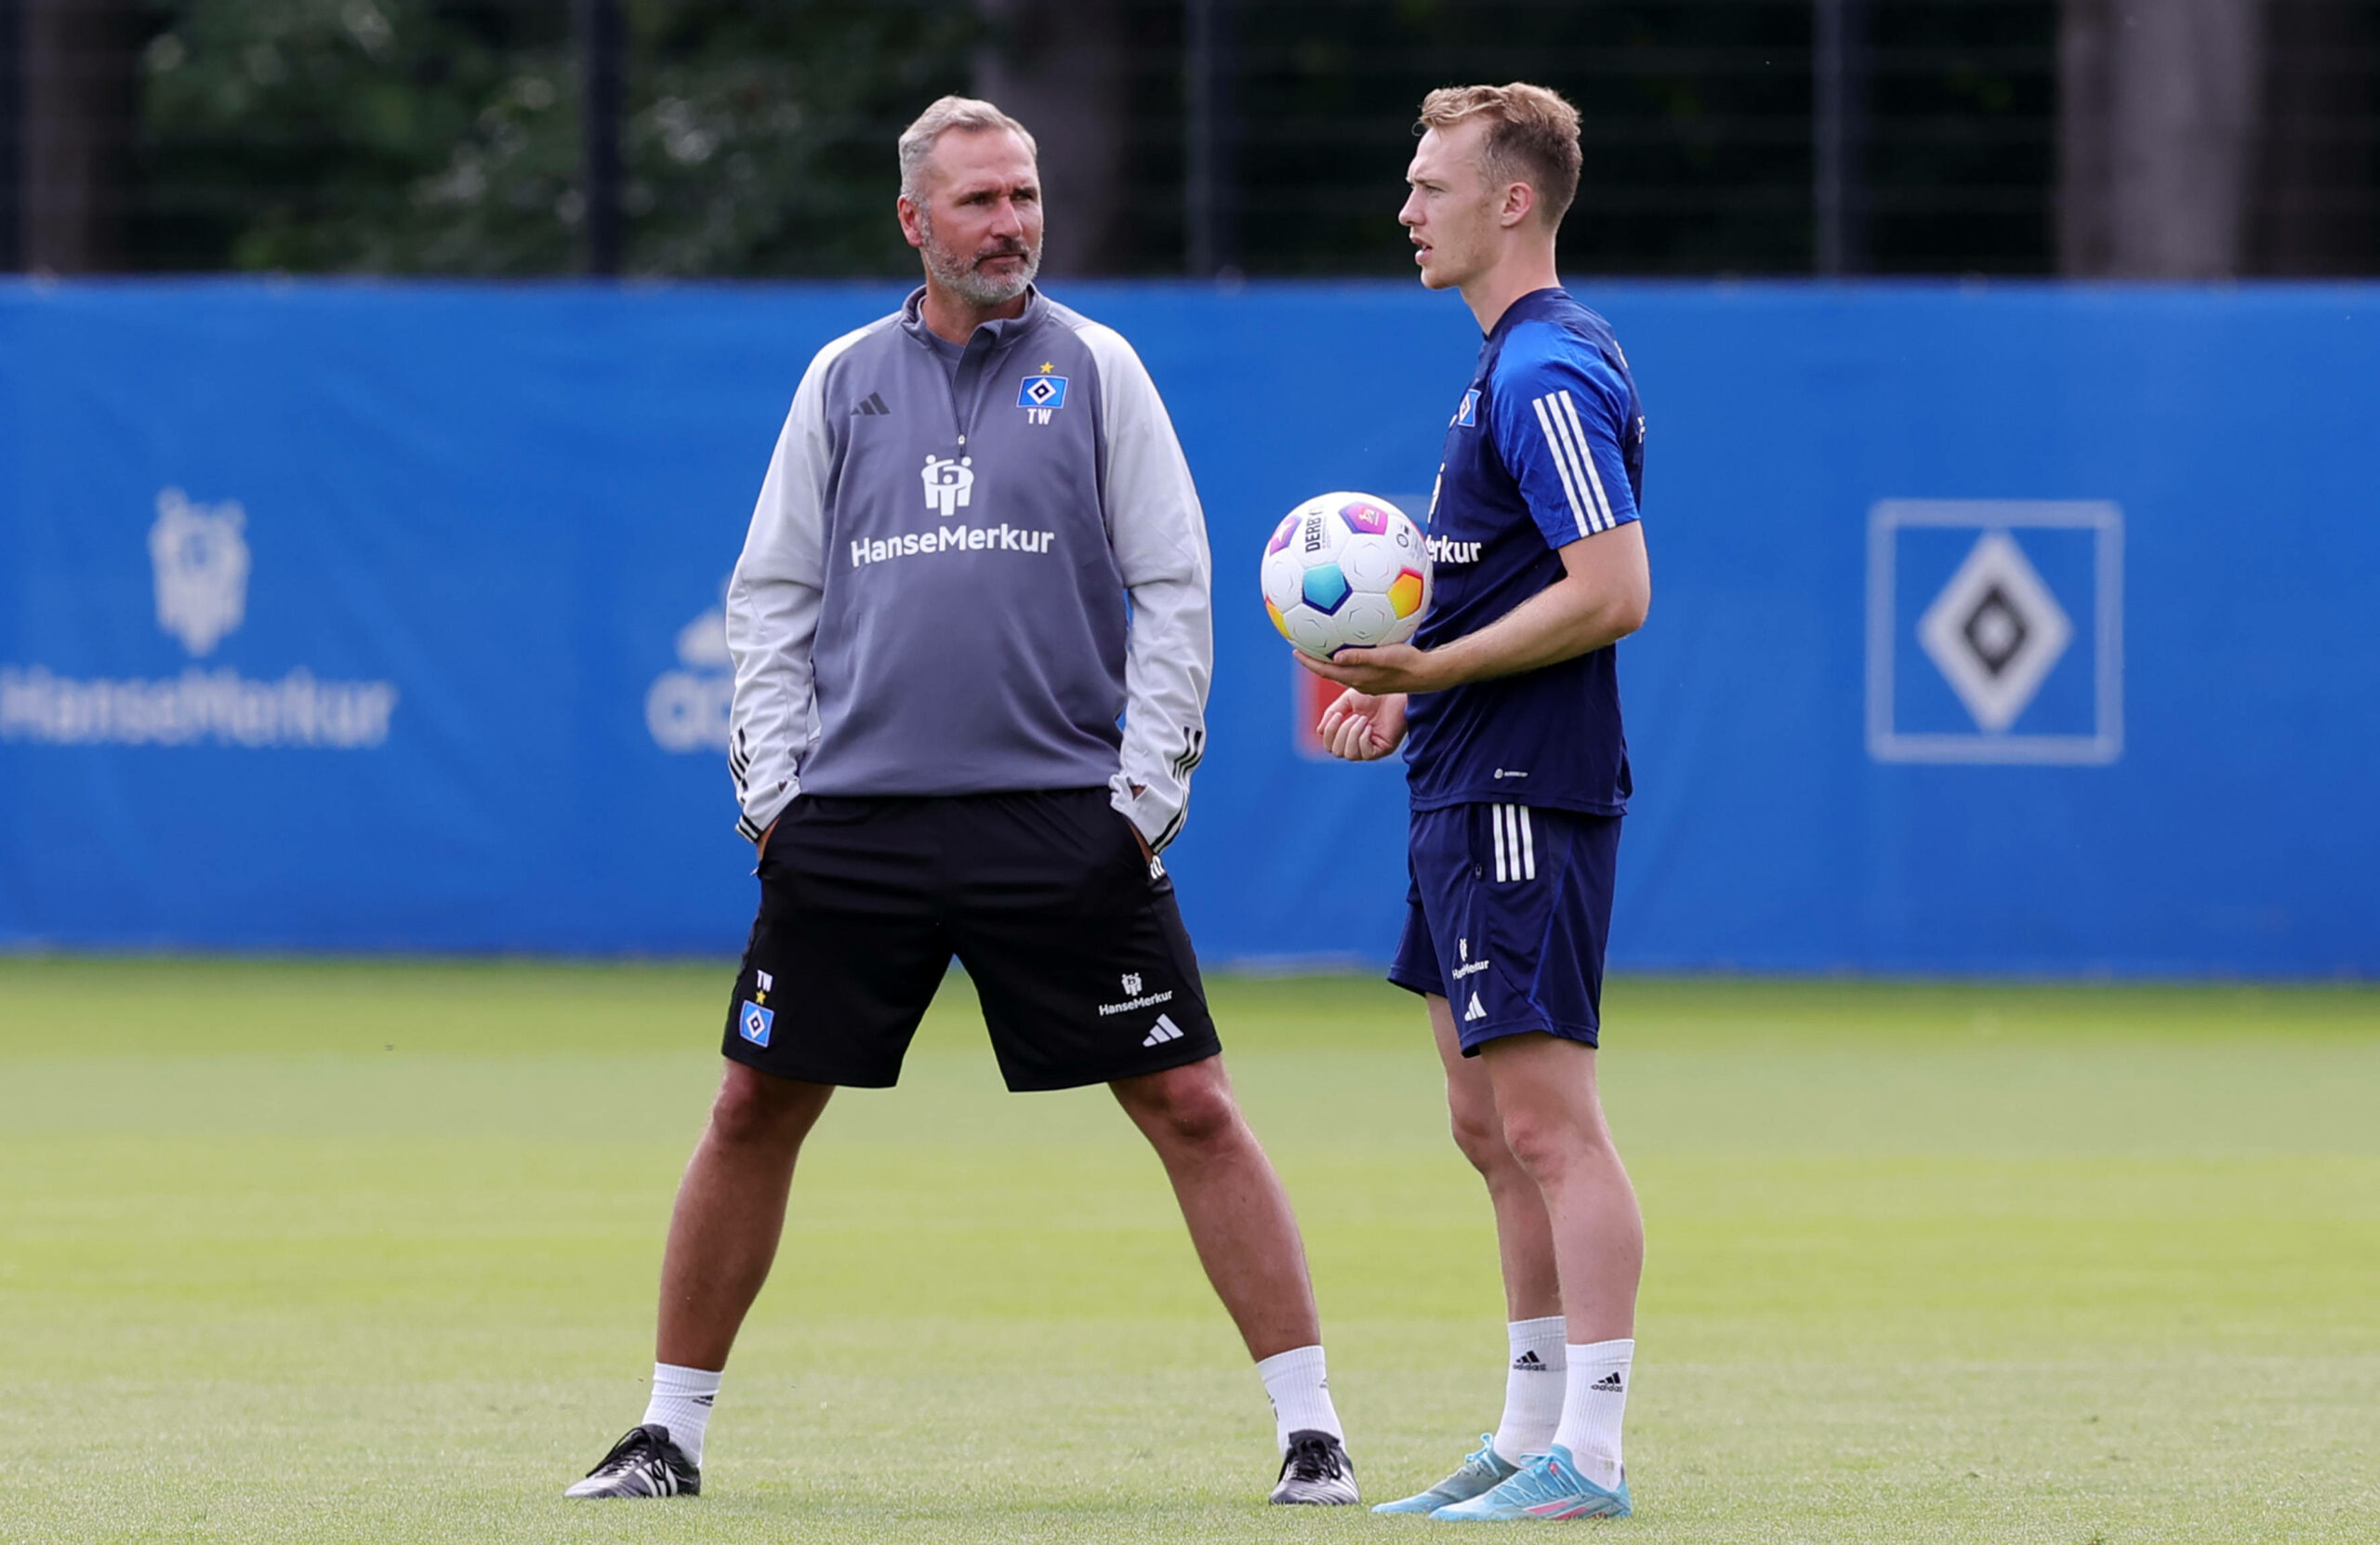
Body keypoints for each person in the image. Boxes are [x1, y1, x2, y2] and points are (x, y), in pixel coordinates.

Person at [566, 95, 1357, 1507]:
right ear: (914, 221)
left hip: (1060, 817)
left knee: (1190, 1101)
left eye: (1026, 196)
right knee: (752, 1106)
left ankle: (1312, 1429)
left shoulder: (1100, 369)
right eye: (981, 201)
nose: (1012, 225)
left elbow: (1175, 584)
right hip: (855, 825)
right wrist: (775, 798)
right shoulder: (839, 381)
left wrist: (1141, 800)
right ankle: (667, 1433)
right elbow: (769, 594)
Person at [1302, 82, 1650, 1523]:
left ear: (1514, 200)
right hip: (1461, 776)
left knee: (1550, 1120)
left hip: (1522, 789)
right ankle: (1524, 1431)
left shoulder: (1544, 371)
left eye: (1430, 183)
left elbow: (1612, 587)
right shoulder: (1497, 364)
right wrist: (1413, 690)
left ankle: (1596, 1453)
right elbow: (1514, 578)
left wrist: (1435, 661)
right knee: (1481, 1119)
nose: (1407, 207)